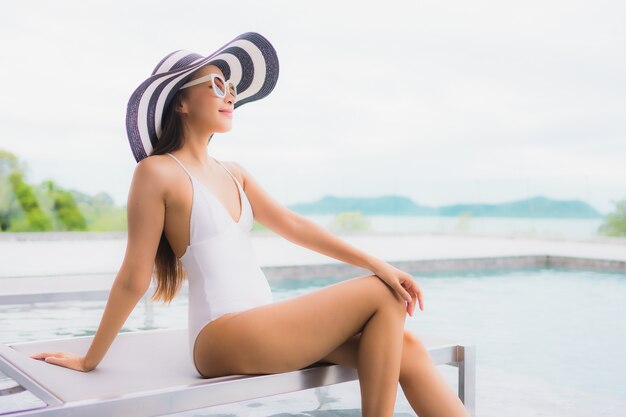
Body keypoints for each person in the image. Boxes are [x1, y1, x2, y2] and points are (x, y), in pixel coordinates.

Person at [29, 32, 470, 417]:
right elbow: (133, 277)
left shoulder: (234, 172)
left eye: (232, 87)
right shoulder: (157, 172)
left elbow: (294, 225)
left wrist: (379, 261)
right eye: (216, 84)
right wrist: (90, 358)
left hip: (265, 324)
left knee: (407, 349)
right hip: (221, 336)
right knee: (381, 291)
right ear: (180, 101)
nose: (230, 95)